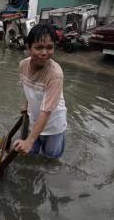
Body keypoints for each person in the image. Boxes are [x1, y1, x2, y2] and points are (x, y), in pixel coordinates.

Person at [14, 24, 67, 159]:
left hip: (54, 124)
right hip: (34, 119)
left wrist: (29, 141)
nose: (44, 53)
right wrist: (26, 105)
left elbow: (46, 111)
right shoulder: (23, 65)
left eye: (49, 47)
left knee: (51, 157)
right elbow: (28, 87)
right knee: (31, 154)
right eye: (38, 47)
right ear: (28, 47)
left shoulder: (55, 74)